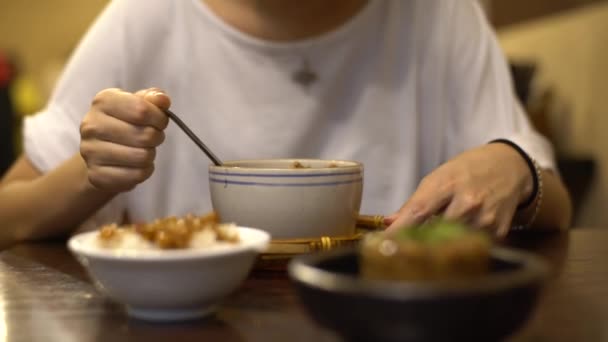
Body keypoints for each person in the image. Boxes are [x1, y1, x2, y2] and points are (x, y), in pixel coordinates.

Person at [0, 0, 571, 248]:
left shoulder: (440, 14)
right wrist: (92, 175)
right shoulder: (145, 17)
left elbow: (556, 204)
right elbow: (10, 214)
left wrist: (514, 167)